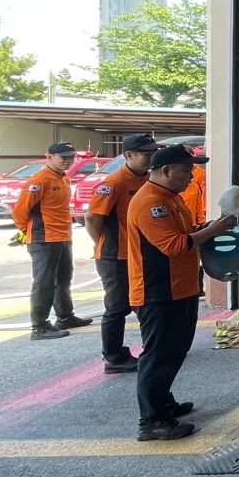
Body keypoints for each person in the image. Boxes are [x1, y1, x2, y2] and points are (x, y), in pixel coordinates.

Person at [127, 145, 235, 440]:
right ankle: (151, 421)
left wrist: (207, 226)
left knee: (175, 350)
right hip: (158, 292)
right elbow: (174, 245)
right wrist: (212, 231)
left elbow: (184, 233)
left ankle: (163, 403)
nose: (191, 177)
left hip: (180, 289)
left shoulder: (171, 198)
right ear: (166, 170)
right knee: (158, 356)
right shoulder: (150, 202)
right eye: (186, 171)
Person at [84, 132, 159, 372]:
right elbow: (92, 218)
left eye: (152, 153)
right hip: (115, 256)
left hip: (139, 254)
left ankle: (153, 349)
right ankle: (114, 357)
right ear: (128, 155)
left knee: (146, 302)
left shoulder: (149, 179)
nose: (150, 158)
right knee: (117, 308)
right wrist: (103, 244)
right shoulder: (113, 183)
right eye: (145, 154)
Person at [12, 141, 93, 340]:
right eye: (63, 157)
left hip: (62, 236)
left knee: (64, 278)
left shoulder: (63, 178)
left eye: (71, 157)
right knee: (44, 282)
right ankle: (40, 326)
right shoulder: (39, 180)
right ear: (48, 157)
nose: (68, 161)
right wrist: (25, 230)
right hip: (44, 238)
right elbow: (20, 211)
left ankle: (65, 316)